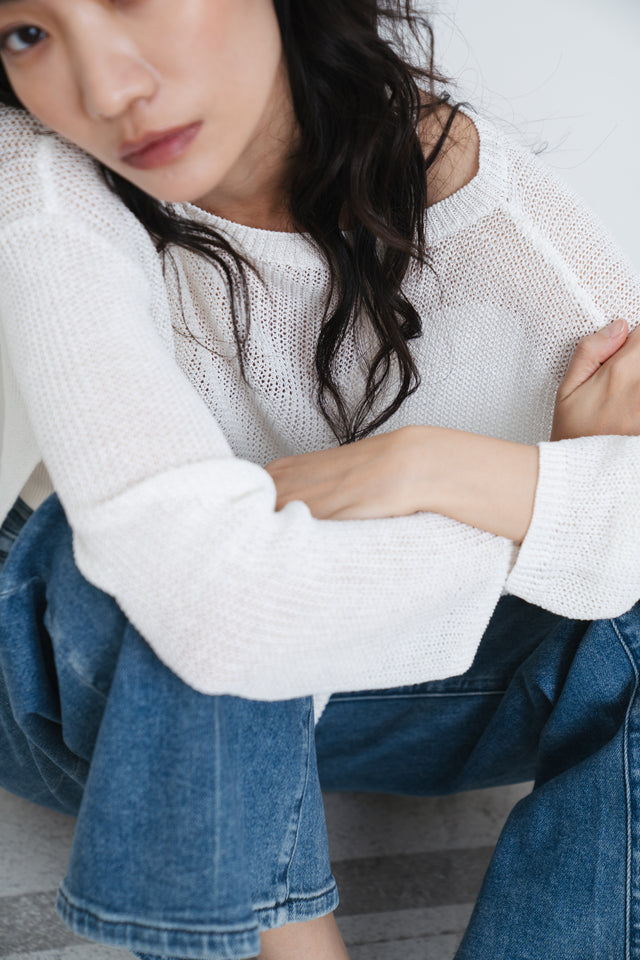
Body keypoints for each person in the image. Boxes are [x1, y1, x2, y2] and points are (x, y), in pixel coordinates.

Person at [0, 1, 638, 958]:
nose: (106, 89)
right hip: (72, 690)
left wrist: (427, 468)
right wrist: (553, 508)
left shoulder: (489, 207)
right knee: (141, 568)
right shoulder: (43, 176)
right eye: (25, 34)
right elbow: (212, 598)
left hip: (379, 691)